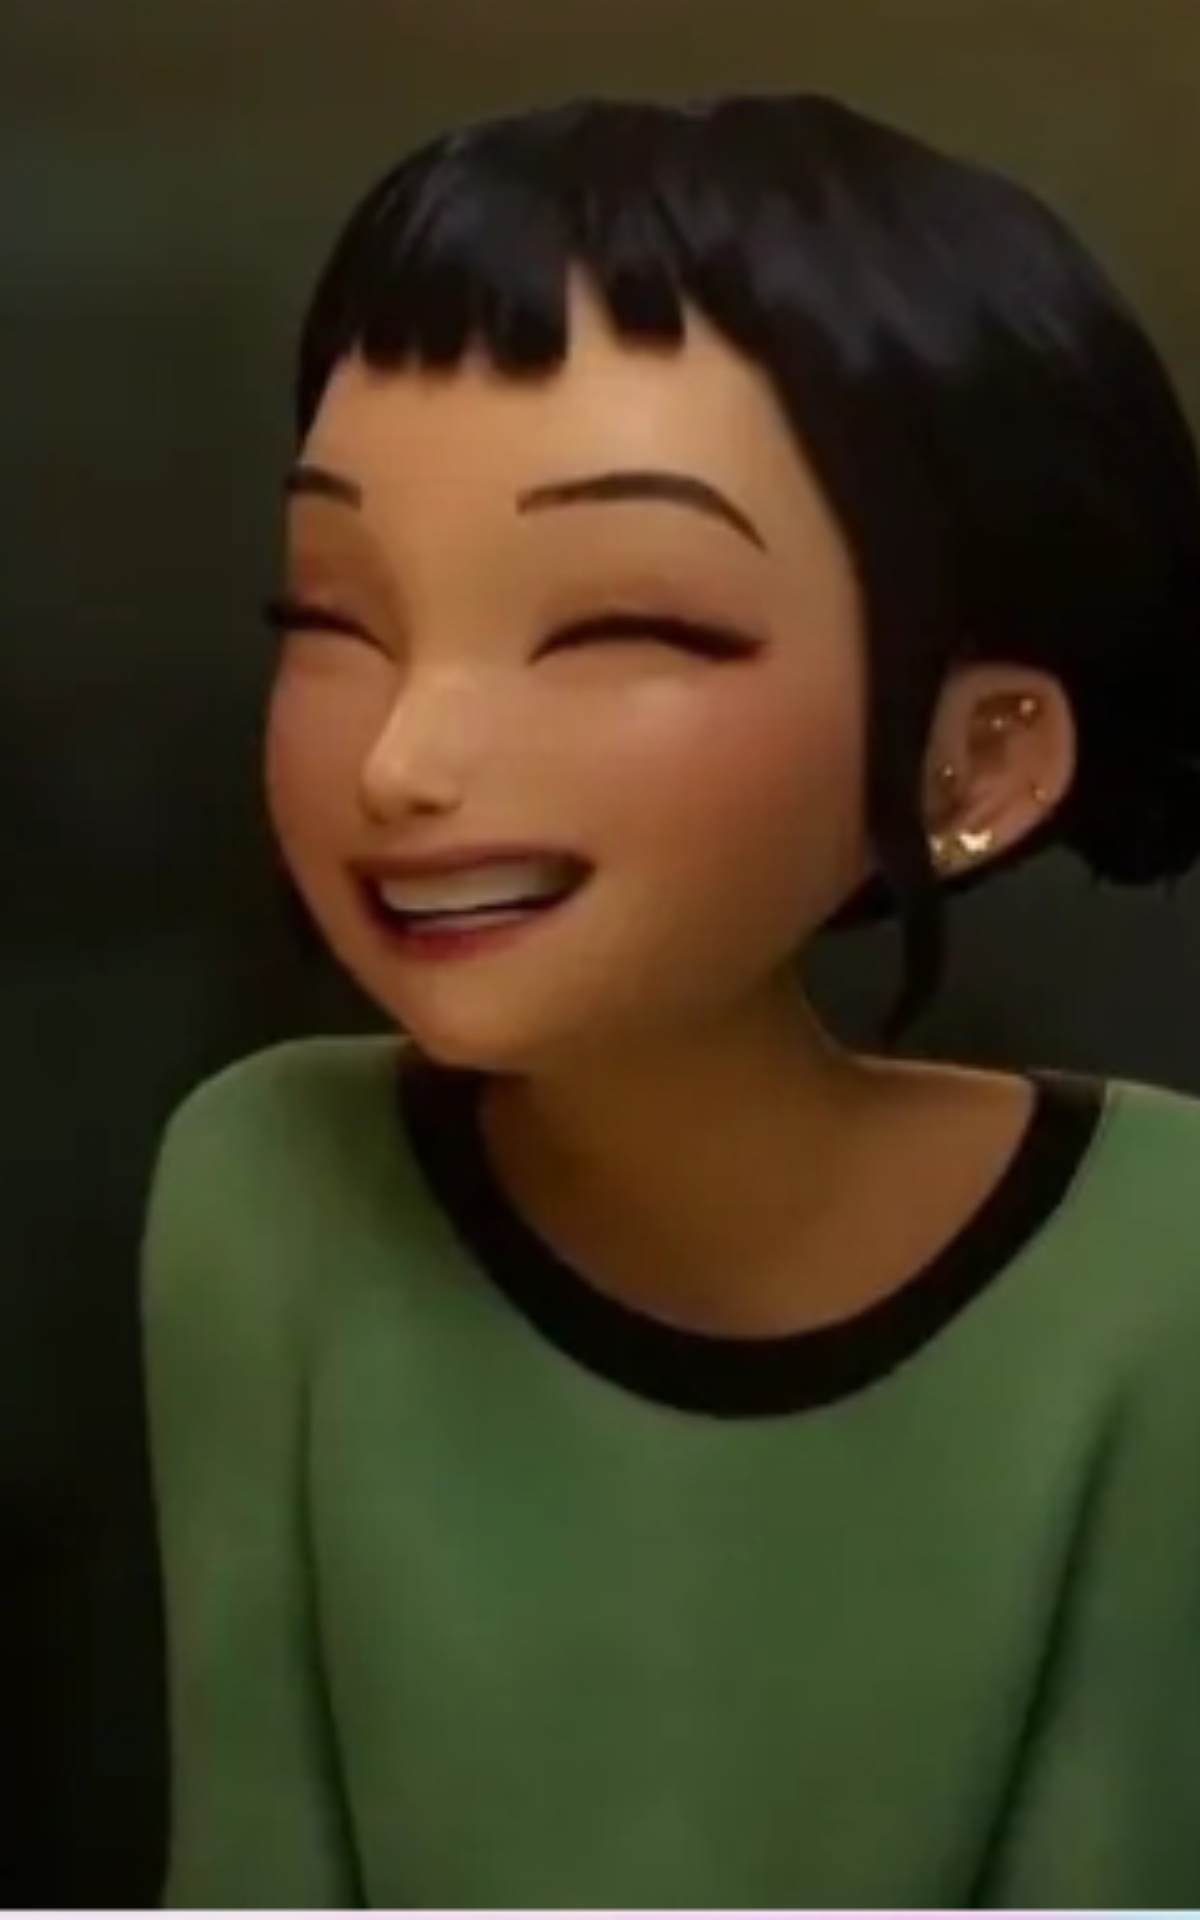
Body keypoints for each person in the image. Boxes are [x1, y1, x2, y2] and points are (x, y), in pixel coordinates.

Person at [142, 94, 1200, 1908]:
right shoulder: (267, 1189)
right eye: (332, 615)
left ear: (977, 755)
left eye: (621, 625)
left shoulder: (1162, 1261)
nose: (402, 761)